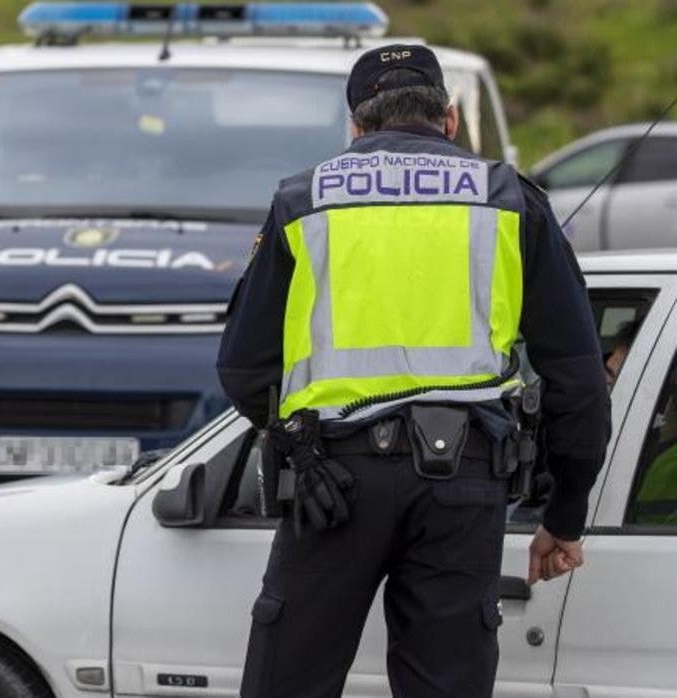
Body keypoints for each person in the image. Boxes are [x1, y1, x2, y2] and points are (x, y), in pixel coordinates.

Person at [217, 45, 610, 698]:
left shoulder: (302, 200)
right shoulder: (511, 200)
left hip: (332, 484)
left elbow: (242, 367)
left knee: (289, 680)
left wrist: (299, 447)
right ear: (449, 119)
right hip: (465, 485)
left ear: (356, 127)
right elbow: (578, 381)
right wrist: (565, 514)